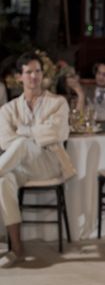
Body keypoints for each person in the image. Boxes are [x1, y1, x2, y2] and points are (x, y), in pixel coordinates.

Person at [0, 52, 75, 268]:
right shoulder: (7, 109)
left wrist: (22, 132)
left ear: (43, 75)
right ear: (19, 77)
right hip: (21, 167)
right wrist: (35, 134)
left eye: (38, 71)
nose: (34, 76)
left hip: (49, 164)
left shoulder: (58, 102)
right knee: (4, 181)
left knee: (21, 144)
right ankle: (17, 249)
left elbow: (57, 134)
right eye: (28, 72)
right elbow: (5, 142)